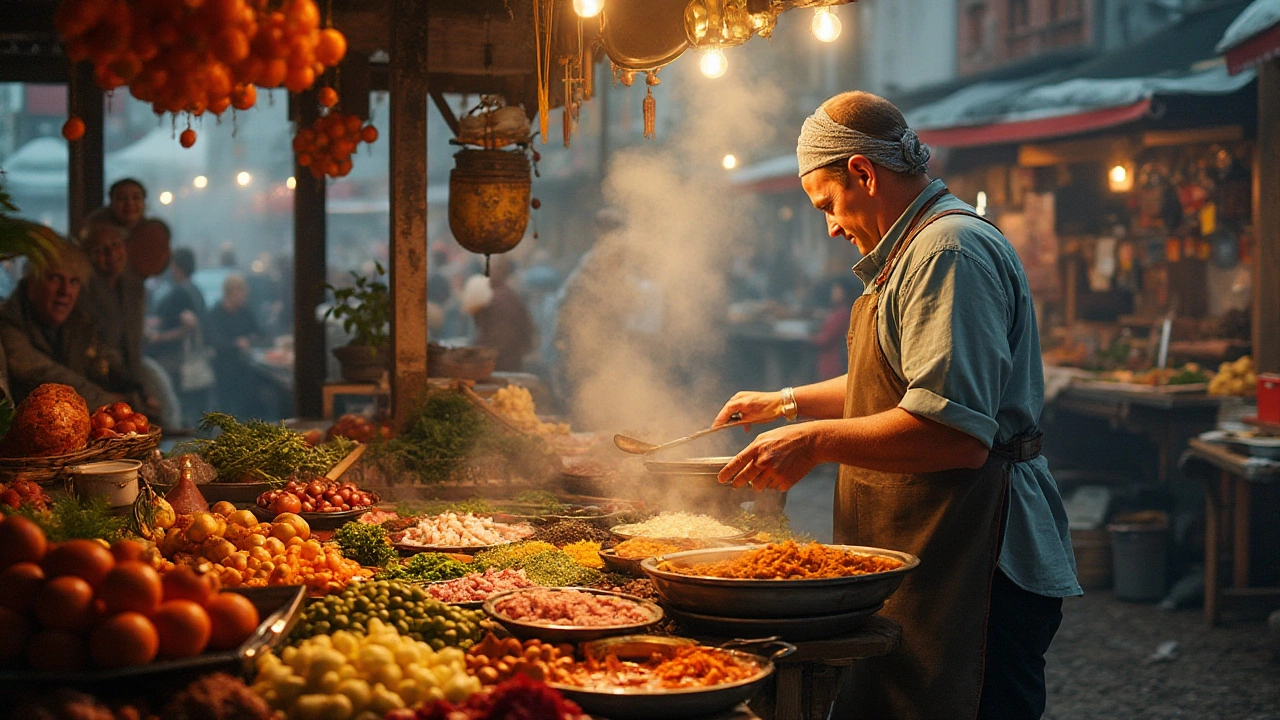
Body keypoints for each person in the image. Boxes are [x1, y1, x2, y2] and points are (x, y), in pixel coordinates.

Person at [713, 91, 1080, 720]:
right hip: (935, 551)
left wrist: (815, 441)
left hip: (978, 561)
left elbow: (952, 432)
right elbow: (893, 384)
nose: (829, 226)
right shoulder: (908, 250)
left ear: (862, 171)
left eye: (826, 205)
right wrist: (785, 402)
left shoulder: (947, 252)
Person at [0, 243, 129, 408]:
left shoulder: (79, 324)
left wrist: (134, 389)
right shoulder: (8, 321)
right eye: (55, 278)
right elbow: (39, 372)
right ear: (32, 283)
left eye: (74, 281)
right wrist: (109, 403)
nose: (65, 290)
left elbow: (103, 361)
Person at [79, 221, 180, 427]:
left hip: (127, 380)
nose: (111, 253)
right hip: (98, 386)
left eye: (115, 245)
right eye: (100, 250)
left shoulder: (132, 288)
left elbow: (133, 347)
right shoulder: (83, 294)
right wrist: (133, 393)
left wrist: (142, 391)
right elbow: (95, 353)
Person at [146, 247, 208, 427]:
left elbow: (187, 327)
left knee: (177, 405)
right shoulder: (196, 290)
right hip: (187, 358)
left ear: (177, 267)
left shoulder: (179, 292)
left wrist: (159, 337)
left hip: (175, 358)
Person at [205, 274, 263, 418]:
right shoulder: (215, 313)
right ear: (231, 293)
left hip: (246, 367)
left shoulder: (245, 311)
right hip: (225, 369)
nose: (245, 297)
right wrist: (236, 344)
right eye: (242, 293)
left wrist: (252, 338)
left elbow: (259, 331)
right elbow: (214, 341)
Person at [469, 256, 536, 373]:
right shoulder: (486, 295)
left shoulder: (507, 297)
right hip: (496, 361)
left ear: (505, 273)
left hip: (502, 362)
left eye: (497, 268)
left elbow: (504, 336)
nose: (489, 271)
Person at [812, 275, 860, 380]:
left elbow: (825, 339)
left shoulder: (843, 314)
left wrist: (807, 338)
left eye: (836, 291)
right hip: (827, 362)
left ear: (845, 292)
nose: (833, 294)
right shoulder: (837, 312)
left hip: (833, 363)